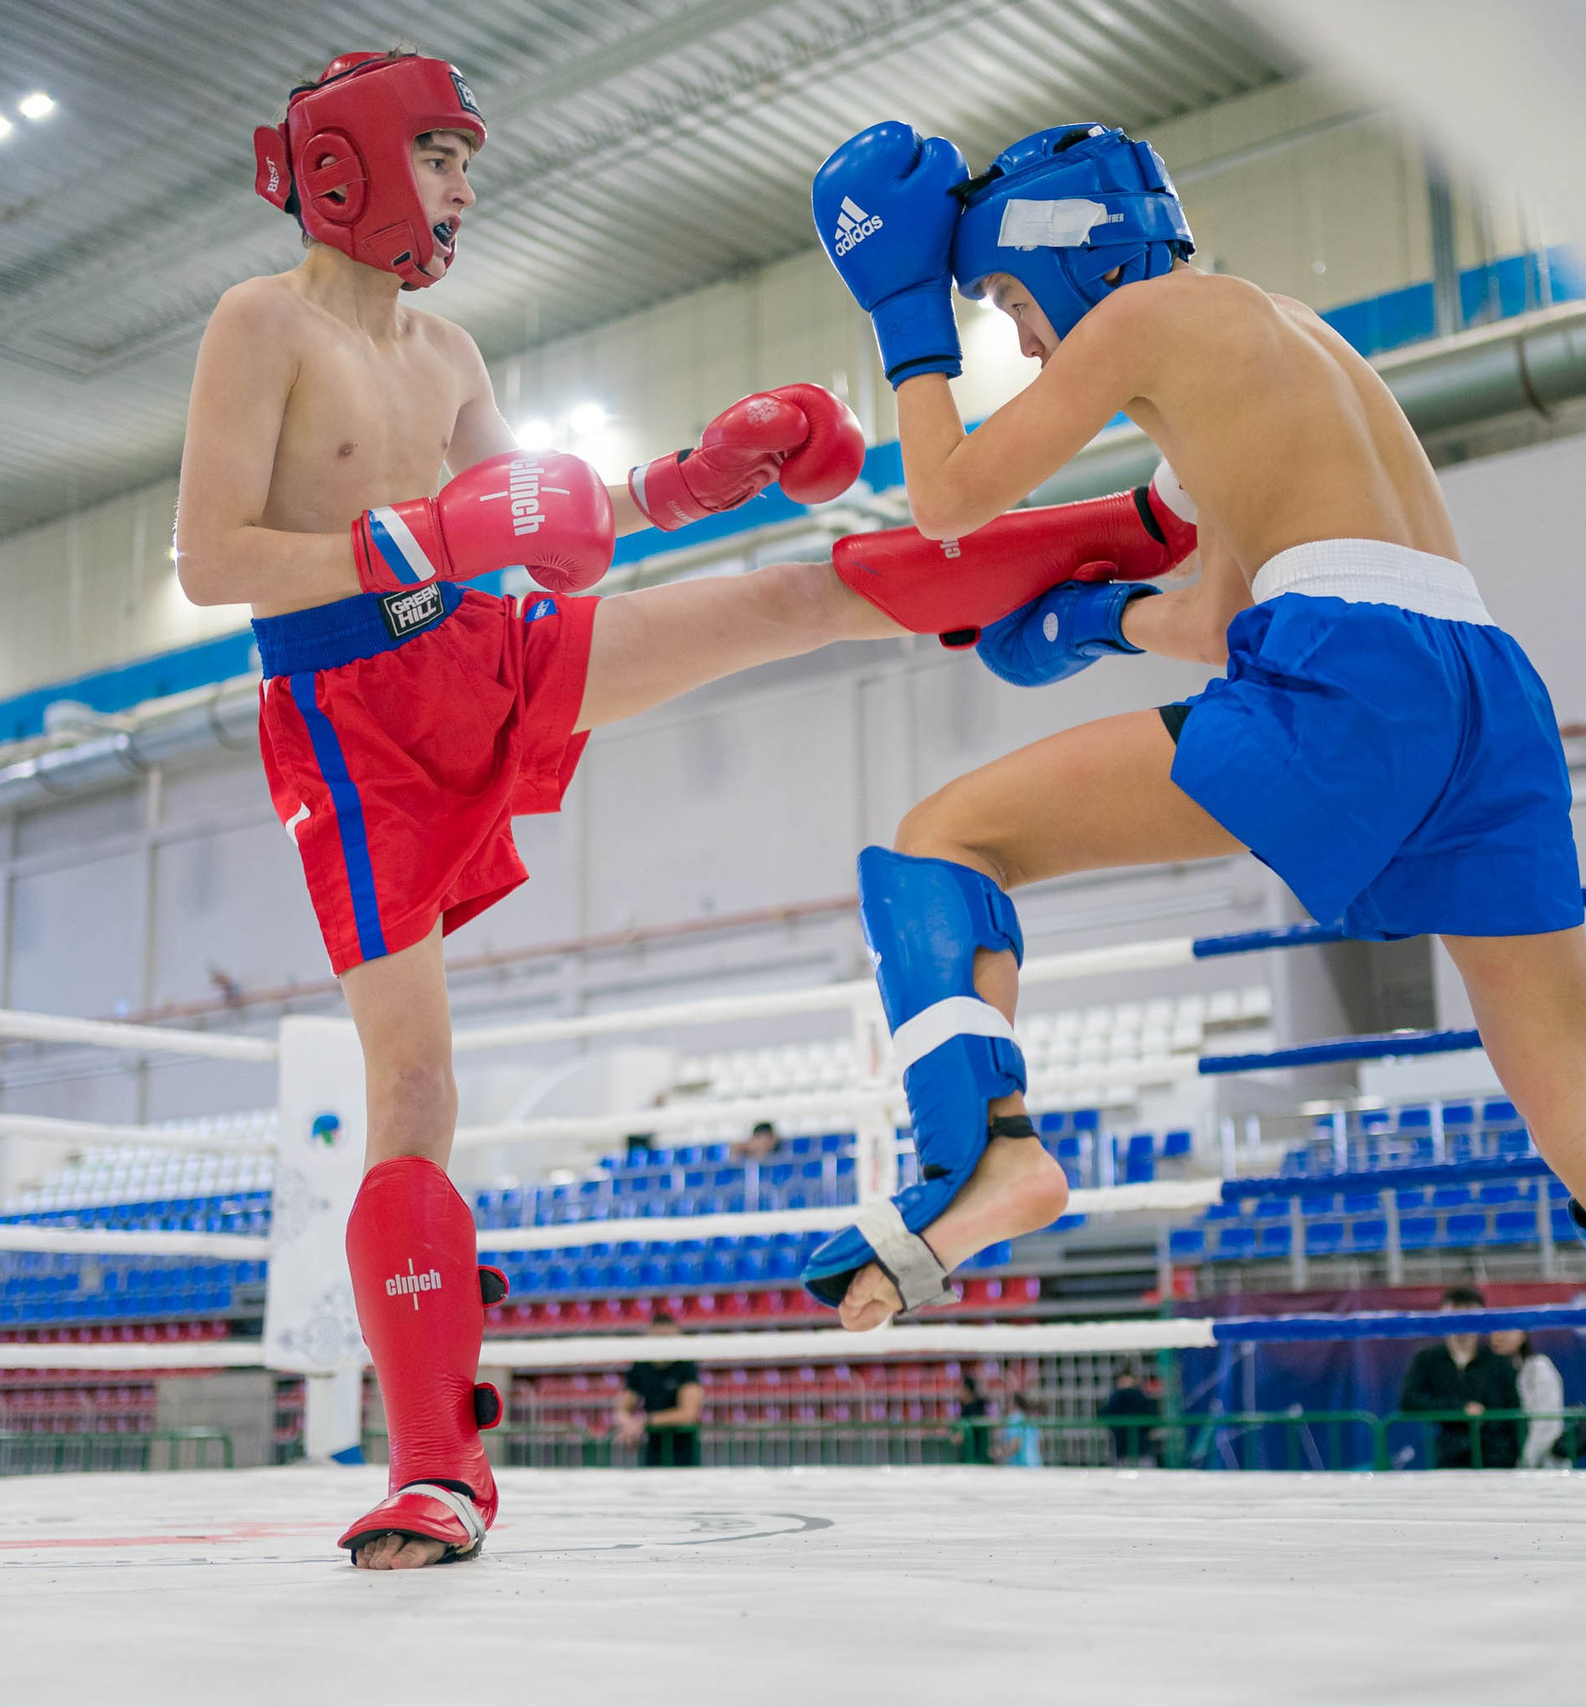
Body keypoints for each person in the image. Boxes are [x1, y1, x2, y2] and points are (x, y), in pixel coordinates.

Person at [796, 115, 1586, 1565]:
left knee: (941, 838)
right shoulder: (1292, 343)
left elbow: (949, 498)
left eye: (1008, 304)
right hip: (1483, 688)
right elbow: (1228, 613)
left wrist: (901, 315)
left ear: (1060, 252)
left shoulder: (1149, 315)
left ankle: (984, 1155)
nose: (1023, 345)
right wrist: (1092, 622)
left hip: (1355, 675)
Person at [178, 50, 921, 1571]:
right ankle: (436, 1467)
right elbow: (212, 559)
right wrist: (409, 541)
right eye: (441, 154)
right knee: (417, 1087)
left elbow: (532, 526)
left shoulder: (448, 352)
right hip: (348, 717)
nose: (463, 187)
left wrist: (695, 478)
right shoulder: (261, 322)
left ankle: (1097, 557)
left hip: (484, 652)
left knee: (783, 596)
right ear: (354, 162)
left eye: (464, 159)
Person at [1397, 1287, 1523, 1468]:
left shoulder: (1499, 1363)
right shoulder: (1427, 1359)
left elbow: (1515, 1413)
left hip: (1497, 1460)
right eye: (1455, 1314)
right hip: (1449, 1458)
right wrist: (1459, 1410)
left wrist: (1515, 1454)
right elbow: (1408, 1401)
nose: (1462, 1321)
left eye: (1468, 1314)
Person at [614, 1311, 706, 1467]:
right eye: (659, 1338)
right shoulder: (641, 1366)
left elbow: (689, 1413)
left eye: (667, 1339)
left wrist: (646, 1421)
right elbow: (622, 1408)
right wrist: (628, 1424)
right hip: (653, 1449)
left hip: (683, 1450)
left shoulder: (686, 1366)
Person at [1490, 1326, 1571, 1469]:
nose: (1499, 1336)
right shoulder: (1489, 1374)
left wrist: (1524, 1466)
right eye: (1496, 1328)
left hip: (1541, 1469)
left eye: (1508, 1329)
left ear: (1523, 1334)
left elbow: (1546, 1425)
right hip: (1500, 1468)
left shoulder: (1538, 1367)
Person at [1097, 1362, 1164, 1466]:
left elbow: (1104, 1414)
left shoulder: (1125, 1397)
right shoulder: (1135, 1396)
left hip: (1133, 1450)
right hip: (1132, 1451)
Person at [954, 1366, 995, 1465]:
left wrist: (957, 1436)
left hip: (976, 1458)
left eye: (961, 1388)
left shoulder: (973, 1409)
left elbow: (960, 1437)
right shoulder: (968, 1407)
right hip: (973, 1458)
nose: (958, 1391)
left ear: (967, 1390)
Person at [996, 1391, 1043, 1467]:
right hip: (1036, 1463)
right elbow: (1040, 1445)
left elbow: (1016, 1445)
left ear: (1013, 1404)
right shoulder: (1031, 1419)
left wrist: (998, 1453)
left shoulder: (1014, 1419)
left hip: (1022, 1466)